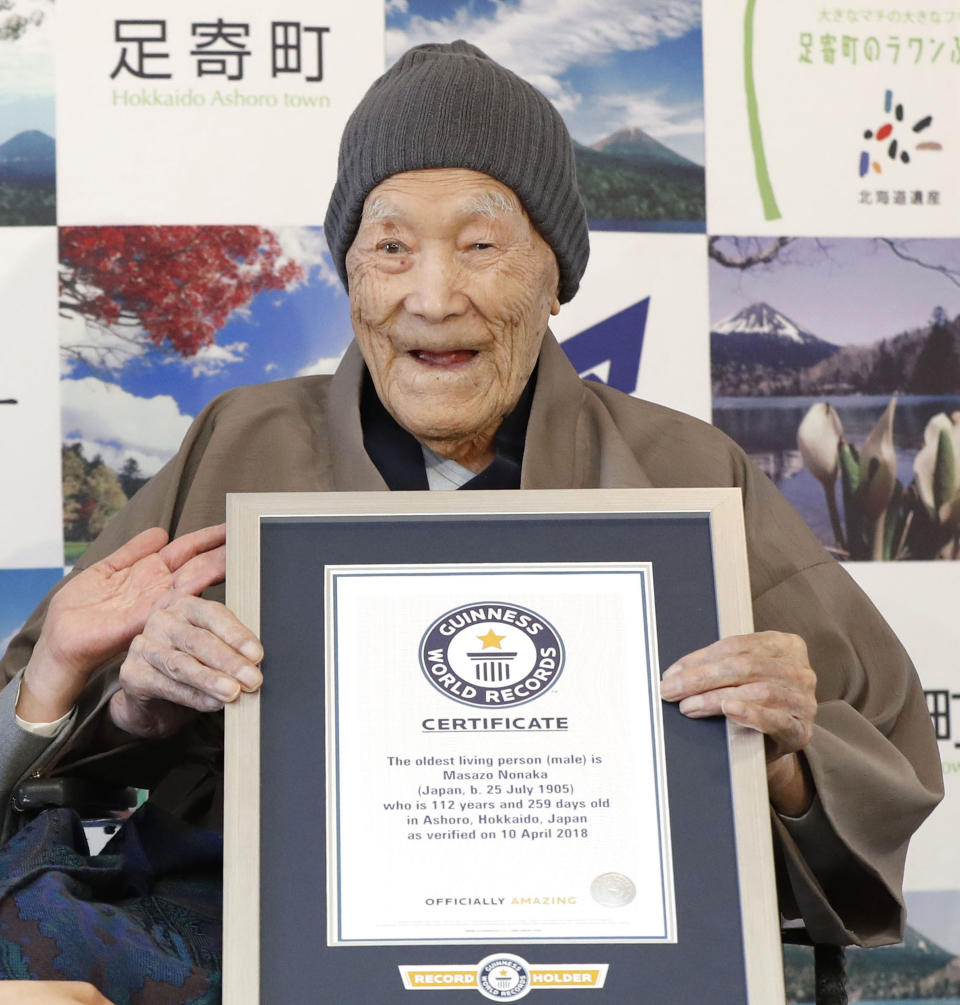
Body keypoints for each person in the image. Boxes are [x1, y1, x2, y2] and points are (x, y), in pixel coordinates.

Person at [0, 39, 943, 1000]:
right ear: (351, 271)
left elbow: (877, 752)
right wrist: (116, 697)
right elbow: (42, 757)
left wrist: (784, 754)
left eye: (482, 245)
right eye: (391, 246)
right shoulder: (238, 441)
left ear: (556, 273)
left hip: (598, 951)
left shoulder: (688, 473)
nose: (434, 296)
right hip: (262, 941)